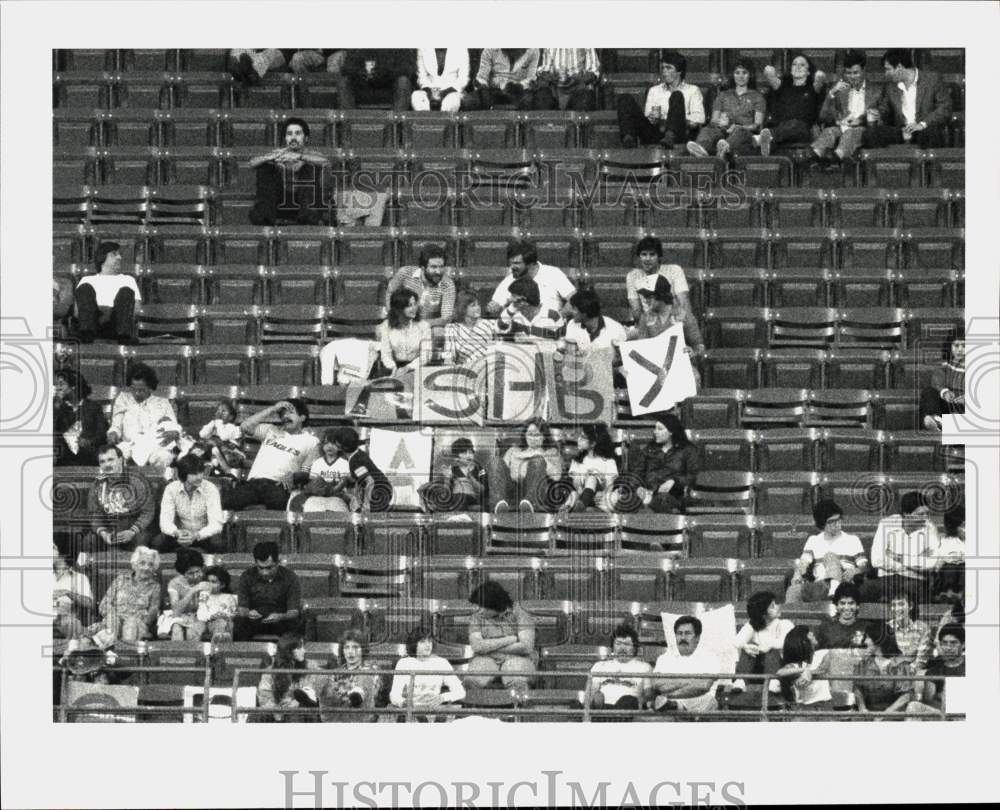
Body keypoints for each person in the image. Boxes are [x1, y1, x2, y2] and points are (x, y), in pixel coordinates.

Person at [222, 398, 320, 511]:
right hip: (253, 483)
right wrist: (272, 409)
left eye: (290, 413)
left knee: (277, 516)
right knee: (224, 503)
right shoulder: (271, 430)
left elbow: (308, 471)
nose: (285, 417)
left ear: (302, 417)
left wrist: (294, 477)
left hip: (278, 485)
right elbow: (244, 427)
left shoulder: (312, 441)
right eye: (282, 414)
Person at [625, 237, 704, 353]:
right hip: (651, 331)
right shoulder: (645, 319)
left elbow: (699, 347)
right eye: (644, 254)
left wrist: (693, 352)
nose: (647, 259)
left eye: (652, 254)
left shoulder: (683, 317)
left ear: (661, 296)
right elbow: (643, 347)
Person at [863, 48, 952, 150]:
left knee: (931, 134)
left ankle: (928, 165)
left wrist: (922, 124)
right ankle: (884, 165)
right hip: (902, 130)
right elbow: (885, 109)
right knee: (870, 134)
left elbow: (945, 107)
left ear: (900, 67)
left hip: (924, 128)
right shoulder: (890, 86)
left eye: (888, 69)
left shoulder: (932, 79)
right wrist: (877, 114)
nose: (886, 74)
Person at [248, 117, 329, 226]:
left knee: (310, 167)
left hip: (305, 202)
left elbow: (326, 162)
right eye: (289, 134)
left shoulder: (312, 154)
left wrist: (300, 157)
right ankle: (264, 216)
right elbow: (252, 164)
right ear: (285, 138)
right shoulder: (278, 153)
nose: (293, 137)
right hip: (280, 202)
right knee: (265, 167)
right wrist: (267, 158)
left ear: (306, 138)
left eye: (298, 134)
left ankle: (308, 217)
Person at [863, 491, 940, 605]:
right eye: (920, 514)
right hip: (887, 579)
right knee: (865, 590)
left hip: (915, 580)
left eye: (927, 513)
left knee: (907, 593)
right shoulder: (886, 524)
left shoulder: (930, 528)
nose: (925, 518)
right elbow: (877, 559)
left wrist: (897, 557)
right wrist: (907, 565)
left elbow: (931, 563)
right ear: (905, 514)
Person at [810, 50, 884, 165]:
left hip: (864, 128)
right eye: (848, 73)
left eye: (856, 73)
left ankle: (835, 159)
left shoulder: (877, 90)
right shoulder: (841, 91)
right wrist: (831, 94)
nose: (852, 77)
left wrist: (860, 120)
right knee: (829, 131)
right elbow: (823, 117)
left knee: (851, 133)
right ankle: (815, 156)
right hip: (842, 126)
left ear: (864, 70)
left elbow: (882, 114)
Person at [618, 50, 705, 149]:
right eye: (663, 68)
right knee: (625, 98)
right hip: (655, 131)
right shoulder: (654, 90)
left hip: (679, 131)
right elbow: (648, 114)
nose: (664, 71)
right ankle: (628, 140)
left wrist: (677, 119)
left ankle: (670, 136)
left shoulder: (693, 90)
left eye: (668, 68)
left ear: (679, 71)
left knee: (677, 95)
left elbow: (699, 118)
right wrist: (653, 118)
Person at [786, 499, 868, 603]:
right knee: (793, 590)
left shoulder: (852, 540)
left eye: (839, 520)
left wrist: (855, 571)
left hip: (845, 585)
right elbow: (804, 562)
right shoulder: (813, 540)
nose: (837, 524)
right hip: (820, 586)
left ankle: (835, 590)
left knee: (830, 556)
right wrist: (797, 575)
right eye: (831, 522)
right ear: (822, 524)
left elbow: (864, 566)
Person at [617, 412, 698, 514]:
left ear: (671, 432)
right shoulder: (649, 449)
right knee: (625, 501)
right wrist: (638, 487)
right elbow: (636, 473)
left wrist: (674, 481)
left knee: (661, 500)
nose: (655, 432)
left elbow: (693, 475)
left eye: (660, 429)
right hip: (647, 493)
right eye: (655, 428)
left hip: (672, 495)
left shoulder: (687, 450)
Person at [687, 58, 765, 159]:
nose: (740, 76)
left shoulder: (757, 97)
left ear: (750, 75)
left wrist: (737, 126)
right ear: (732, 75)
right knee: (709, 129)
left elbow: (757, 125)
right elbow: (713, 120)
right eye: (737, 73)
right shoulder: (723, 95)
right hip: (723, 130)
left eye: (744, 73)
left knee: (739, 131)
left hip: (744, 131)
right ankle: (701, 149)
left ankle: (724, 149)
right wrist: (719, 122)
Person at [107, 362, 178, 468]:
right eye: (133, 389)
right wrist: (113, 433)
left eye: (141, 390)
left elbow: (173, 426)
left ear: (150, 387)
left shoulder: (162, 403)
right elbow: (116, 426)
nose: (137, 393)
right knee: (115, 456)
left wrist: (173, 432)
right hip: (128, 444)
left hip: (155, 446)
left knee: (163, 457)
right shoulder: (123, 399)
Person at [466, 582, 536, 689]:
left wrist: (489, 647)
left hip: (518, 658)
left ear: (495, 605)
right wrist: (510, 639)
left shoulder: (521, 615)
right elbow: (477, 646)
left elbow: (526, 646)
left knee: (517, 679)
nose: (479, 611)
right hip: (486, 658)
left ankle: (519, 705)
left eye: (483, 607)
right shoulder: (476, 617)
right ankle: (472, 705)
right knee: (471, 680)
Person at [488, 417, 565, 514]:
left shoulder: (551, 452)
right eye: (529, 434)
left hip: (536, 490)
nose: (532, 438)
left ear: (543, 436)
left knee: (538, 461)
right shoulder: (513, 451)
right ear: (525, 435)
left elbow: (556, 476)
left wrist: (539, 454)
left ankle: (529, 504)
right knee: (495, 461)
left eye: (536, 435)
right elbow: (499, 473)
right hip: (514, 490)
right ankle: (498, 504)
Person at [86, 444, 156, 551]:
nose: (107, 464)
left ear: (120, 460)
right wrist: (103, 533)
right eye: (102, 461)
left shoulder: (137, 481)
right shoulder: (97, 484)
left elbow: (148, 512)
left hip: (136, 529)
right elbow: (95, 514)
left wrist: (132, 531)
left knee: (141, 543)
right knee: (89, 541)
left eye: (110, 459)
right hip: (111, 529)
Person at [756, 53, 827, 156]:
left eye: (802, 65)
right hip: (781, 127)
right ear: (790, 69)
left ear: (808, 71)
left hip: (803, 129)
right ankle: (765, 141)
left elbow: (820, 75)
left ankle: (762, 138)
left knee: (795, 124)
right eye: (794, 64)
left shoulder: (813, 88)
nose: (797, 67)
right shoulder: (782, 86)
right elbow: (768, 70)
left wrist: (814, 74)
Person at [389, 626, 467, 720]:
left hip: (434, 711)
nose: (428, 645)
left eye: (429, 641)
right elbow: (394, 695)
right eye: (422, 642)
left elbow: (460, 692)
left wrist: (443, 697)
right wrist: (403, 702)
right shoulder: (404, 663)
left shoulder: (441, 662)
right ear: (414, 644)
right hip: (411, 712)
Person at [152, 455, 225, 553]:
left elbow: (216, 524)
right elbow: (165, 522)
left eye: (200, 472)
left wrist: (196, 535)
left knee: (219, 543)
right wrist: (177, 533)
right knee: (157, 542)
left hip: (203, 536)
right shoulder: (171, 489)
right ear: (184, 474)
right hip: (179, 535)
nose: (200, 477)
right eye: (194, 473)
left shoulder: (210, 489)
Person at [487, 239, 575, 318]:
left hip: (549, 330)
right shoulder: (509, 280)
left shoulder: (553, 273)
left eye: (516, 263)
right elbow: (492, 309)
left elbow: (574, 299)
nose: (511, 267)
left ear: (531, 264)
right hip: (519, 331)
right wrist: (501, 304)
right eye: (510, 263)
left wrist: (558, 318)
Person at [233, 541, 302, 641]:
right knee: (240, 623)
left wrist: (281, 616)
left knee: (295, 623)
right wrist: (248, 613)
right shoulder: (247, 576)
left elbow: (293, 611)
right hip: (255, 620)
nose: (265, 573)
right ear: (255, 563)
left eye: (269, 568)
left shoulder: (290, 577)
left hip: (280, 620)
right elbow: (242, 609)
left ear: (278, 562)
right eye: (260, 568)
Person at [73, 241, 139, 345]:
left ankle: (123, 336)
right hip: (93, 320)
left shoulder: (128, 279)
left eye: (119, 254)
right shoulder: (86, 280)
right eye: (114, 254)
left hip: (118, 322)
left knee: (126, 291)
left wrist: (109, 313)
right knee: (85, 288)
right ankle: (87, 334)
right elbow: (77, 313)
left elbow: (135, 310)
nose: (119, 257)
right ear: (102, 257)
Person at [651, 615, 720, 713]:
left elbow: (703, 686)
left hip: (698, 705)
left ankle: (677, 706)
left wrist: (672, 685)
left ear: (697, 637)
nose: (683, 637)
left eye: (687, 633)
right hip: (667, 707)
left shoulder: (710, 658)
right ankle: (675, 706)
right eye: (679, 633)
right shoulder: (664, 658)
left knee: (708, 700)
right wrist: (691, 681)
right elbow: (658, 685)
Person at [257, 633, 328, 722]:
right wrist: (280, 712)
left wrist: (298, 702)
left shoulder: (311, 666)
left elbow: (321, 682)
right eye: (299, 648)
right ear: (288, 650)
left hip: (302, 714)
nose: (304, 651)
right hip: (278, 715)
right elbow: (265, 698)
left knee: (296, 714)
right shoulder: (270, 672)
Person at [732, 591, 794, 693]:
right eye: (772, 606)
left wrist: (768, 646)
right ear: (763, 612)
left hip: (779, 667)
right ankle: (741, 681)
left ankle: (774, 681)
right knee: (749, 648)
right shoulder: (752, 626)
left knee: (772, 651)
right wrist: (745, 646)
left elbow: (787, 642)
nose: (778, 607)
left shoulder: (785, 624)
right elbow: (736, 641)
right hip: (756, 669)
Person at [99, 546, 162, 642]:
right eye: (142, 563)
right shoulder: (120, 579)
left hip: (137, 625)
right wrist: (113, 615)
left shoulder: (155, 586)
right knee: (112, 621)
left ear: (154, 568)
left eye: (150, 565)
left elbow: (153, 612)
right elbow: (104, 604)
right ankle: (111, 649)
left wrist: (140, 622)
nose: (146, 568)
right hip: (113, 622)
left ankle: (125, 653)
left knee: (130, 623)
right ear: (135, 564)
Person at [586, 624, 652, 714]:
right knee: (575, 704)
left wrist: (642, 701)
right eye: (618, 643)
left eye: (627, 644)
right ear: (612, 647)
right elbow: (592, 692)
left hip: (627, 710)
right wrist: (595, 697)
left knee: (627, 700)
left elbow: (648, 694)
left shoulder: (644, 667)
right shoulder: (599, 666)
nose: (622, 648)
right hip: (602, 708)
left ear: (634, 647)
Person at [385, 244, 456, 328]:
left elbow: (446, 318)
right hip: (401, 321)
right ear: (423, 268)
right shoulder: (404, 273)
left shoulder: (448, 284)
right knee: (380, 331)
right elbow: (390, 293)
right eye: (433, 267)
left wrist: (416, 325)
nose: (438, 271)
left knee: (438, 332)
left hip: (429, 325)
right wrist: (394, 317)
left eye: (441, 267)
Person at [319, 629, 381, 722]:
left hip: (361, 716)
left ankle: (358, 693)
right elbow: (332, 698)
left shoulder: (372, 670)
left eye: (355, 647)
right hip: (338, 717)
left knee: (365, 675)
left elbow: (373, 694)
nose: (351, 652)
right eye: (347, 647)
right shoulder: (337, 672)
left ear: (363, 649)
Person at [328, 427, 394, 512]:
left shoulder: (355, 462)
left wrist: (366, 506)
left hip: (378, 493)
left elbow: (369, 481)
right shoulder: (357, 453)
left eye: (334, 443)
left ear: (342, 447)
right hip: (383, 489)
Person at [852, 622, 912, 714]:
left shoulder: (901, 665)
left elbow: (905, 696)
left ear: (878, 640)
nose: (865, 642)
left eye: (868, 638)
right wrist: (862, 708)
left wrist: (885, 714)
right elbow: (857, 688)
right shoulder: (864, 663)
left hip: (893, 716)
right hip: (868, 714)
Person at [906, 623, 965, 717]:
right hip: (944, 715)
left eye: (953, 643)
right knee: (913, 706)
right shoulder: (935, 670)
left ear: (963, 645)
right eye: (945, 643)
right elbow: (929, 701)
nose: (948, 648)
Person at [53, 368, 108, 467]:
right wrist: (56, 406)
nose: (57, 388)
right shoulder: (58, 407)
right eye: (56, 385)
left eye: (61, 384)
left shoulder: (93, 407)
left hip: (89, 453)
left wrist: (89, 441)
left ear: (73, 386)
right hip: (65, 454)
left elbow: (102, 433)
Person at [564, 423, 619, 513]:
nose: (579, 439)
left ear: (593, 443)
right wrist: (585, 478)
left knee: (611, 496)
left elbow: (610, 487)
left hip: (600, 498)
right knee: (583, 485)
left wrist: (601, 479)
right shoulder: (577, 460)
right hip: (581, 495)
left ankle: (583, 509)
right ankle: (580, 507)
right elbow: (576, 486)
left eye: (583, 437)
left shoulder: (609, 461)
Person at [775, 626, 834, 711]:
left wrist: (810, 673)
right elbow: (780, 672)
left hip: (824, 705)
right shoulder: (795, 664)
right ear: (803, 641)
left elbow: (823, 668)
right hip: (803, 708)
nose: (813, 634)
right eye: (809, 634)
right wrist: (804, 670)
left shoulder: (823, 653)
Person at [375, 289, 433, 376]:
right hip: (393, 368)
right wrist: (394, 369)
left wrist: (408, 368)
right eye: (409, 305)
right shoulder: (386, 326)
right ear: (399, 308)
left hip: (416, 366)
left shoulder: (424, 326)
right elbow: (385, 354)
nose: (414, 308)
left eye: (415, 304)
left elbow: (426, 355)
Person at [421, 437, 487, 513]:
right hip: (454, 498)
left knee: (460, 497)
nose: (469, 455)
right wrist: (447, 478)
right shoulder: (452, 469)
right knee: (427, 489)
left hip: (471, 498)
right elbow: (446, 492)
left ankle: (458, 519)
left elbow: (482, 490)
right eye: (464, 453)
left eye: (470, 452)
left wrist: (470, 477)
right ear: (457, 457)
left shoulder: (479, 469)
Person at [337, 49, 415, 111]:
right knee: (344, 81)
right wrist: (363, 73)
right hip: (363, 87)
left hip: (389, 88)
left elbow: (406, 70)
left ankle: (396, 126)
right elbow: (347, 69)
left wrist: (382, 72)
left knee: (403, 81)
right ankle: (348, 125)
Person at [297, 431, 352, 513]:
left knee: (354, 502)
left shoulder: (344, 463)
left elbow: (346, 482)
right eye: (326, 443)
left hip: (338, 493)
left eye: (334, 444)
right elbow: (313, 481)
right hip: (318, 492)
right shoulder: (317, 462)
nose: (329, 446)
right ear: (322, 446)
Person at [495, 277, 566, 341]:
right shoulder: (513, 316)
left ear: (524, 301)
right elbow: (499, 331)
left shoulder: (552, 315)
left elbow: (563, 342)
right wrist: (511, 309)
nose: (510, 298)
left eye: (513, 296)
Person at [562, 287, 627, 355]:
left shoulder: (616, 329)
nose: (571, 311)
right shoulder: (571, 325)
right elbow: (570, 355)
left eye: (574, 309)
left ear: (585, 312)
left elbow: (622, 360)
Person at [920, 333, 965, 432]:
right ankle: (935, 419)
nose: (960, 349)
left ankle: (949, 427)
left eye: (964, 346)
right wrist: (944, 392)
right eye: (956, 346)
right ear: (950, 347)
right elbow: (937, 380)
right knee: (929, 391)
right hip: (948, 402)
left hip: (963, 406)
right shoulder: (945, 365)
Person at [470, 48, 540, 110]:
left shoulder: (533, 51)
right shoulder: (489, 50)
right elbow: (482, 77)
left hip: (520, 91)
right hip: (494, 91)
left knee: (530, 99)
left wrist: (518, 86)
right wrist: (482, 86)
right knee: (476, 99)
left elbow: (531, 78)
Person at [164, 547, 210, 641]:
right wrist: (192, 591)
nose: (196, 576)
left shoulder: (208, 579)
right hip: (181, 616)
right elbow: (176, 610)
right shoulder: (174, 583)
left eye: (198, 571)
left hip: (202, 617)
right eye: (190, 573)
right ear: (183, 574)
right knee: (177, 628)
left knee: (192, 630)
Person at [534, 48, 600, 111]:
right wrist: (555, 77)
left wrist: (575, 79)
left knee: (584, 100)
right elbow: (545, 68)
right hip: (555, 86)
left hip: (578, 85)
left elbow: (593, 71)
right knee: (541, 98)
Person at [442, 290, 498, 365]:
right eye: (473, 305)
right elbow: (449, 354)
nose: (478, 308)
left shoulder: (490, 324)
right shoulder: (452, 328)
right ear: (463, 309)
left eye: (478, 304)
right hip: (465, 370)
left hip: (488, 366)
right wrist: (449, 361)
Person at [52, 546, 94, 640]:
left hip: (64, 616)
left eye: (53, 548)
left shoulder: (79, 577)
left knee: (74, 626)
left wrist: (68, 593)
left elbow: (89, 603)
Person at [886, 592, 932, 674]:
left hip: (914, 674)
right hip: (891, 673)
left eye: (901, 604)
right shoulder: (887, 627)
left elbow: (922, 660)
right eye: (893, 605)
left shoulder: (923, 629)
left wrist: (907, 673)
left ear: (910, 606)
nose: (897, 609)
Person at [815, 582, 869, 650]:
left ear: (857, 605)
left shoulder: (866, 628)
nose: (846, 608)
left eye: (851, 603)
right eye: (842, 603)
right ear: (836, 605)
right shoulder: (826, 628)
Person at [933, 506, 965, 602]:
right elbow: (940, 554)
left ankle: (961, 593)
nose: (964, 530)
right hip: (946, 569)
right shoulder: (945, 540)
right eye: (962, 526)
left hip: (963, 568)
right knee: (949, 567)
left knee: (964, 569)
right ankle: (948, 592)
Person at [197, 565, 237, 643]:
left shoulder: (229, 597)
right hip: (209, 623)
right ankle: (217, 646)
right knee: (220, 623)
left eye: (213, 582)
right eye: (208, 582)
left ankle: (221, 645)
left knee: (223, 623)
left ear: (222, 585)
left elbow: (232, 613)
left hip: (225, 622)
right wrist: (211, 616)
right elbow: (201, 614)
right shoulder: (204, 595)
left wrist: (225, 615)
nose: (209, 584)